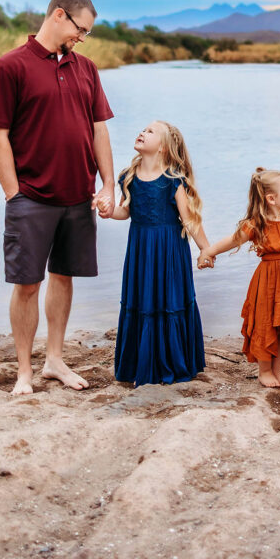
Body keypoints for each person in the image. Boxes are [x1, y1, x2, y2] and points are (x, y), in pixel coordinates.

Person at [0, 0, 115, 396]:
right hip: (31, 197)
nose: (82, 38)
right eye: (81, 29)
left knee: (63, 276)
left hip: (78, 195)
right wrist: (12, 193)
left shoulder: (86, 68)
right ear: (59, 16)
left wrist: (108, 184)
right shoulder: (10, 66)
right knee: (27, 284)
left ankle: (54, 360)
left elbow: (98, 129)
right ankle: (24, 371)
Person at [98, 120, 210, 387]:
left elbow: (190, 220)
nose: (142, 132)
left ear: (163, 147)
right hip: (140, 249)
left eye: (150, 131)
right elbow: (125, 211)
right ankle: (140, 363)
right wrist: (107, 210)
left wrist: (206, 248)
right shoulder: (129, 176)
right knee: (142, 301)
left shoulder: (174, 181)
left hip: (170, 250)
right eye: (143, 129)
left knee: (168, 300)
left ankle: (173, 361)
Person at [197, 168, 280, 388]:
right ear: (271, 199)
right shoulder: (256, 224)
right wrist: (209, 251)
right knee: (267, 326)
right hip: (270, 282)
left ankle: (277, 370)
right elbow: (233, 240)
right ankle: (264, 371)